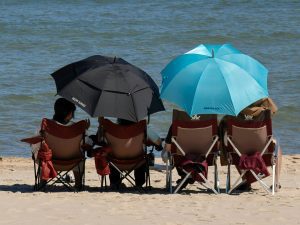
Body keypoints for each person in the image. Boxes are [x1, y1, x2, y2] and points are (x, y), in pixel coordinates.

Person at [219, 97, 282, 191]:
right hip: (264, 151)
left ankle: (246, 180)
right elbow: (273, 111)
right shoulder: (264, 108)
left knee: (232, 144)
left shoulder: (232, 112)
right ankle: (276, 182)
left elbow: (222, 130)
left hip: (239, 153)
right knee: (277, 147)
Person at [32, 98, 90, 189]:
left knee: (41, 150)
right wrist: (85, 129)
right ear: (70, 113)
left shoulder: (47, 125)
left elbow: (36, 142)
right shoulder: (78, 128)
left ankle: (43, 182)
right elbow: (85, 144)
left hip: (50, 161)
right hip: (73, 162)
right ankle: (78, 184)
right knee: (80, 153)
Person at [97, 117, 162, 189]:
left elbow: (99, 140)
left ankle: (115, 182)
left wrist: (100, 125)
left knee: (111, 155)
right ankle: (139, 183)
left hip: (115, 163)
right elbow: (158, 141)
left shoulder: (111, 128)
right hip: (137, 162)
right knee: (143, 158)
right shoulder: (141, 127)